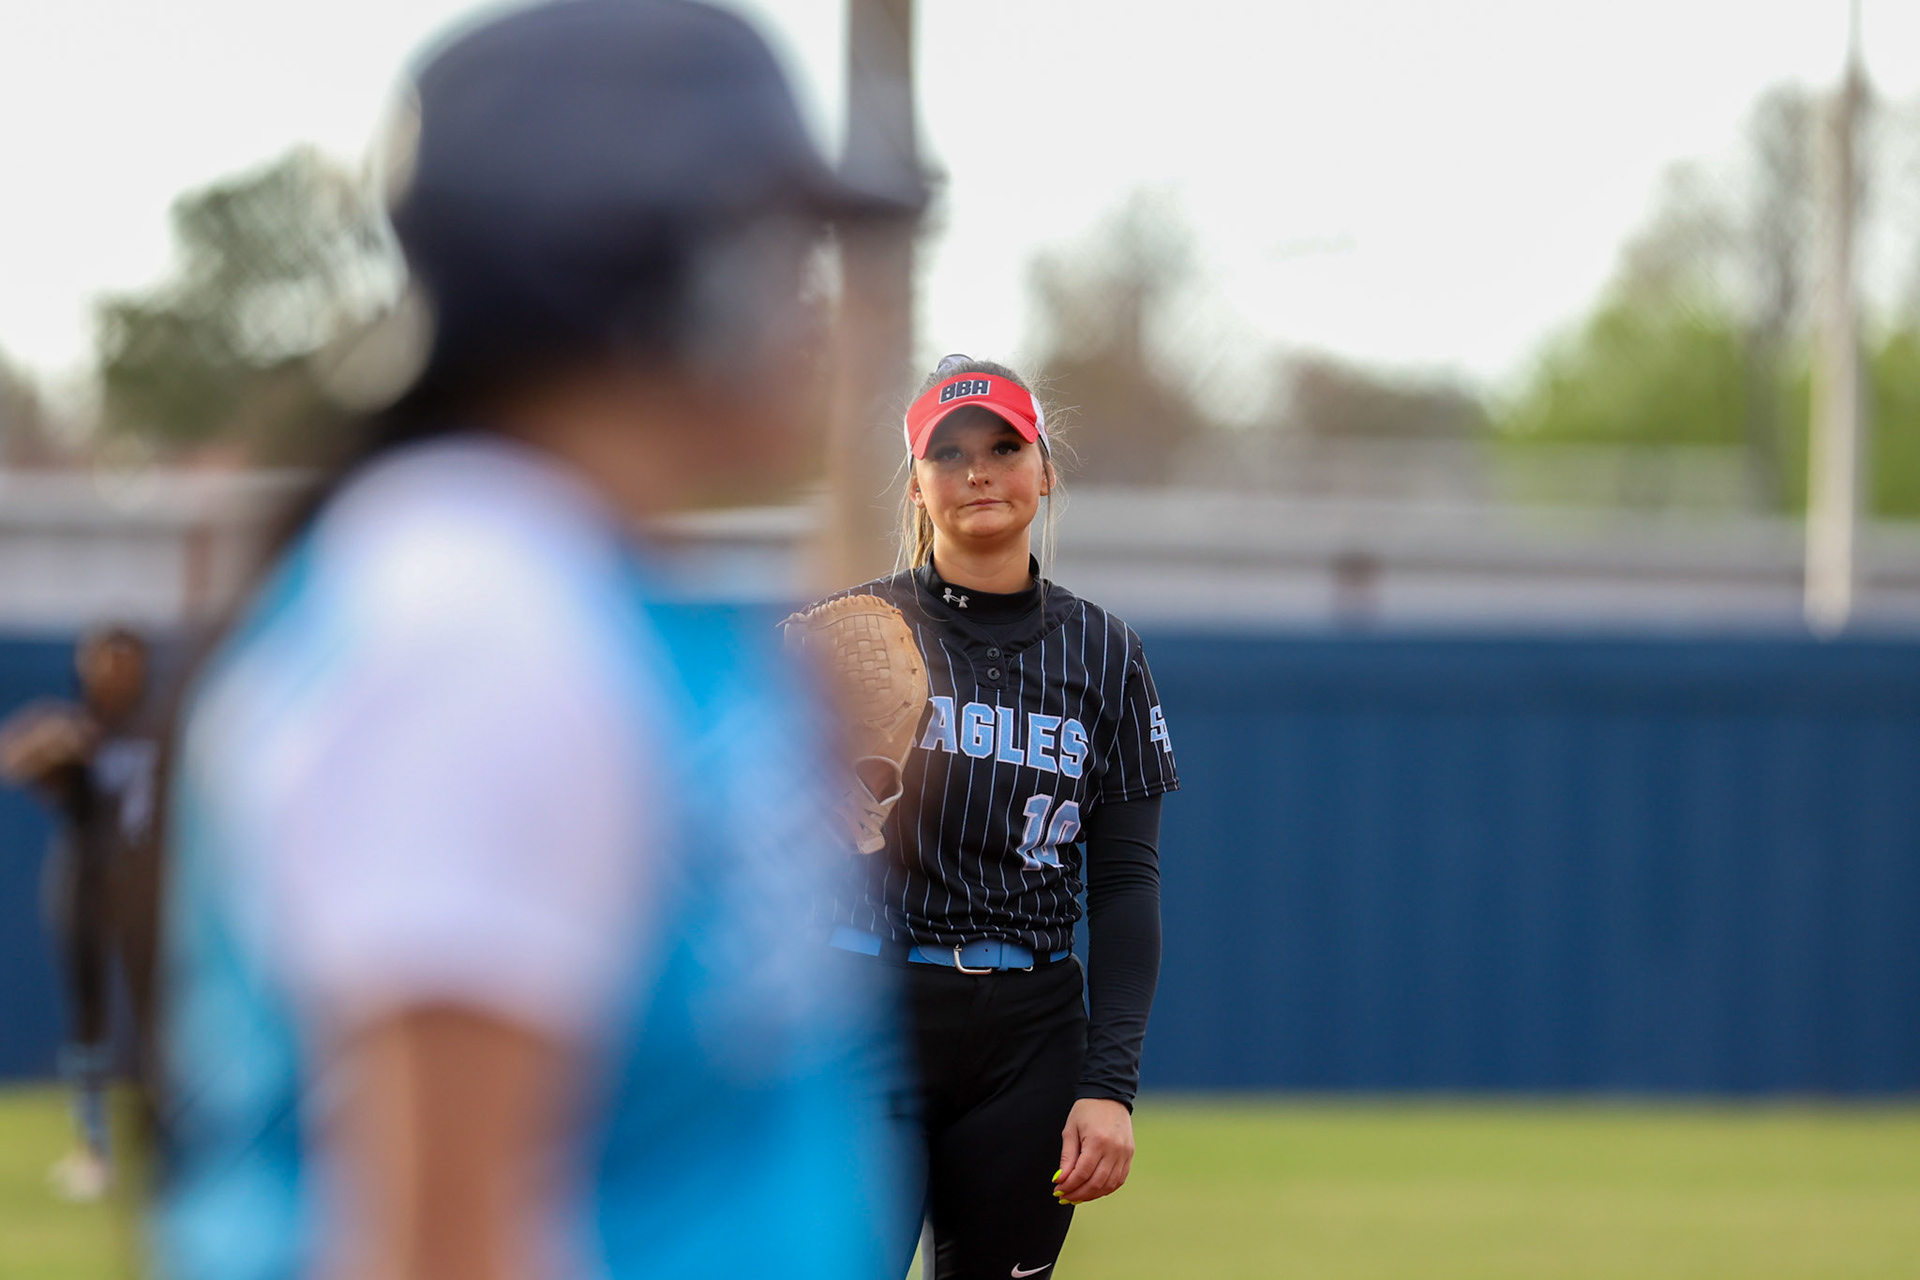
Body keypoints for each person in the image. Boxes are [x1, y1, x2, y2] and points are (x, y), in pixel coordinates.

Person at [154, 4, 920, 1278]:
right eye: (781, 248)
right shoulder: (474, 627)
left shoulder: (578, 594)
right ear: (669, 273)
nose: (816, 306)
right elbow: (433, 1243)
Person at [811, 355, 1180, 1279]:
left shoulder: (1104, 652)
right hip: (865, 1017)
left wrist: (1109, 1087)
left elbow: (1127, 883)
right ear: (917, 483)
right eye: (949, 453)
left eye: (1004, 447)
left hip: (1028, 1035)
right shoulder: (851, 639)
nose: (978, 470)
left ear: (1044, 469)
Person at [0, 625, 163, 1201]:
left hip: (146, 888)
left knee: (159, 1016)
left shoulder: (162, 727)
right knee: (88, 1013)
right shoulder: (75, 731)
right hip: (85, 883)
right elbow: (20, 758)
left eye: (125, 655)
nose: (114, 668)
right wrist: (47, 753)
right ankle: (92, 1147)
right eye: (103, 657)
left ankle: (165, 1138)